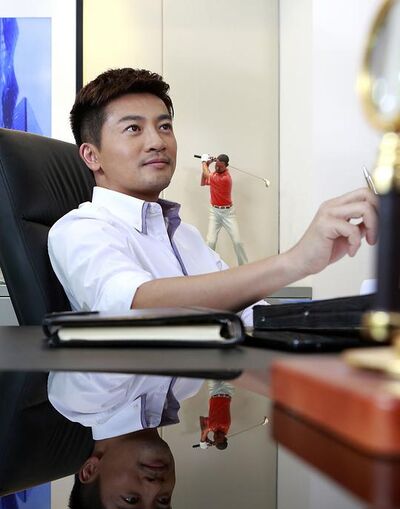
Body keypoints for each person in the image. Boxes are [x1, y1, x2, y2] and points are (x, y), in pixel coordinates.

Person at [48, 68, 378, 323]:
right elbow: (135, 306)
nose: (157, 142)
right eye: (133, 129)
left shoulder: (187, 237)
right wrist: (296, 261)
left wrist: (358, 316)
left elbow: (251, 315)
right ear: (92, 155)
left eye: (164, 126)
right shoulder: (79, 230)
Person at [48, 371, 203, 509]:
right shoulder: (187, 387)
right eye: (162, 501)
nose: (155, 487)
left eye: (131, 499)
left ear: (90, 470)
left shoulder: (83, 397)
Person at [200, 153, 248, 265]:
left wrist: (204, 162)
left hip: (228, 214)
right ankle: (209, 266)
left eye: (220, 167)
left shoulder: (225, 179)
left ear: (226, 166)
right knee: (210, 241)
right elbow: (203, 182)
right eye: (216, 166)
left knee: (237, 242)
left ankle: (244, 266)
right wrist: (208, 164)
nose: (217, 168)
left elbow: (207, 174)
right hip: (214, 212)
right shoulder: (215, 174)